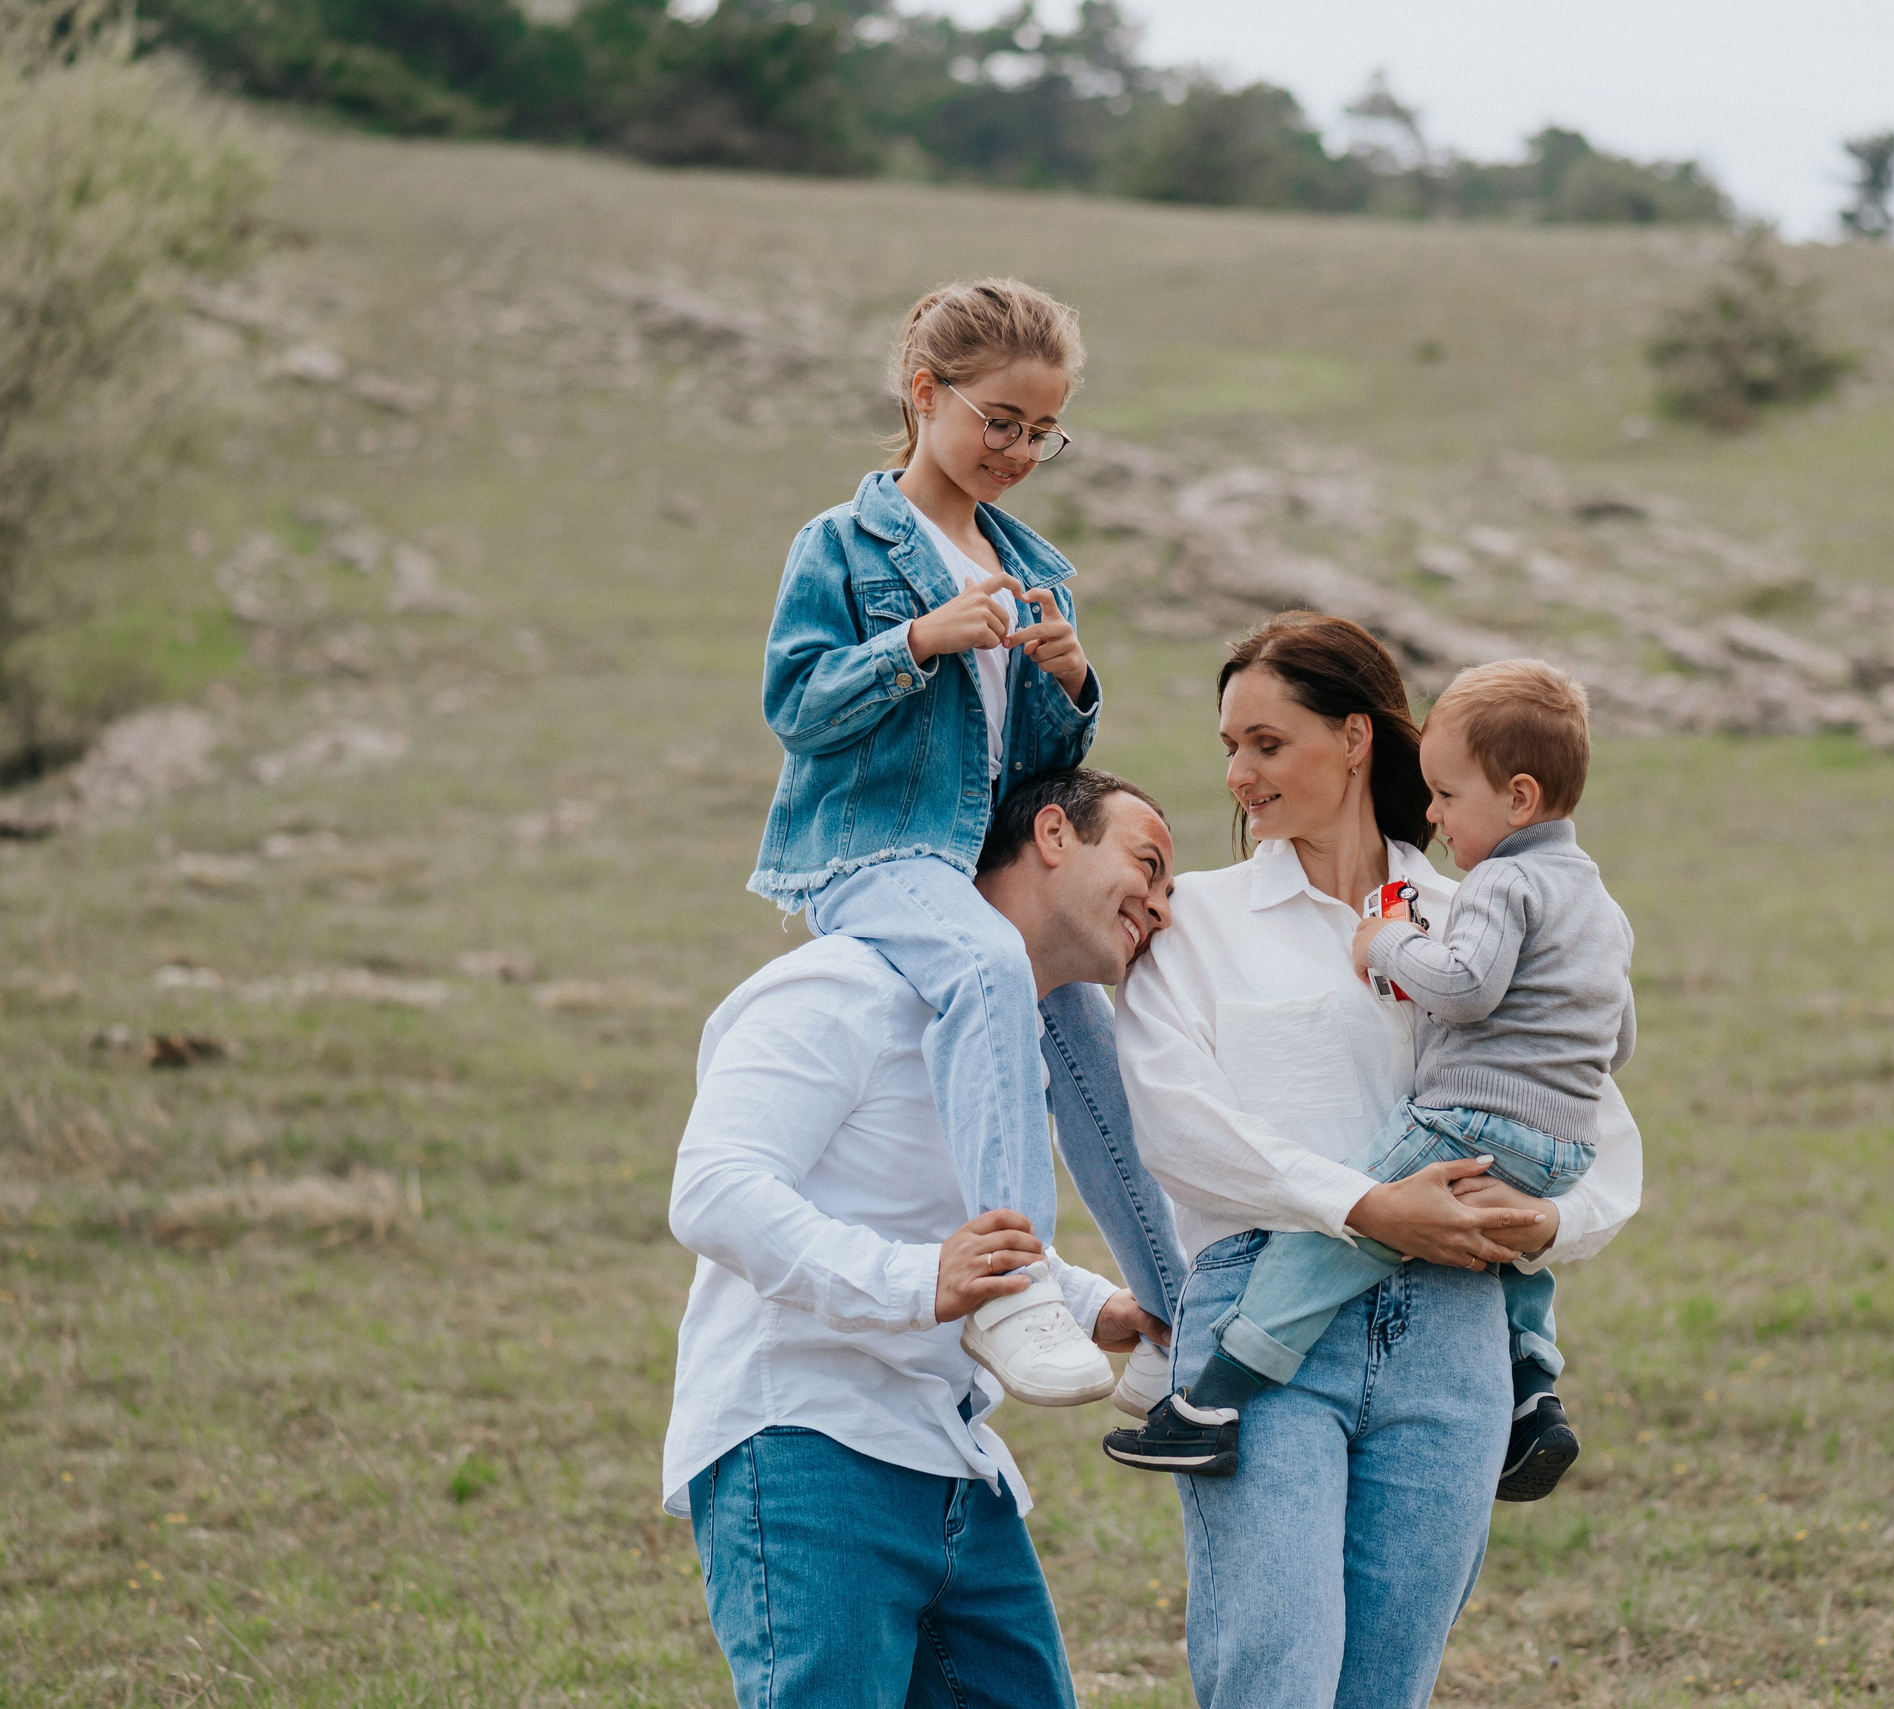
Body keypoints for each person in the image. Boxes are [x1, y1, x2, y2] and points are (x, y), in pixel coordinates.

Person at [1102, 614, 1645, 1706]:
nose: (1237, 774)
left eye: (1266, 742)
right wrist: (1367, 1204)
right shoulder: (1195, 920)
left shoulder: (1475, 911)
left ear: (1355, 737)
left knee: (1385, 1685)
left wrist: (1543, 1224)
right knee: (1276, 1674)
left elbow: (1599, 1130)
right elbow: (1176, 1122)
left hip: (1453, 1335)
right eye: (1229, 747)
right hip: (1266, 1319)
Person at [666, 768, 1179, 1708]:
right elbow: (715, 1188)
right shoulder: (842, 984)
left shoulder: (1008, 1037)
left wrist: (1094, 1305)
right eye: (1148, 863)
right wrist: (916, 1284)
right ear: (1054, 833)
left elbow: (956, 1232)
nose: (1161, 903)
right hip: (807, 1447)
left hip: (954, 1464)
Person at [748, 276, 1125, 1404]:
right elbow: (795, 706)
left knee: (1095, 1028)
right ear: (925, 393)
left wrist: (1072, 682)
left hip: (979, 868)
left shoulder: (1039, 566)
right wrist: (913, 640)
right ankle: (1011, 1288)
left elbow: (1037, 769)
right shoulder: (843, 545)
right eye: (998, 421)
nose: (1017, 448)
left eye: (1041, 431)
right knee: (984, 961)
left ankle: (1175, 1315)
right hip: (873, 855)